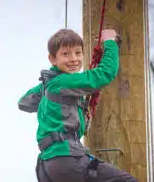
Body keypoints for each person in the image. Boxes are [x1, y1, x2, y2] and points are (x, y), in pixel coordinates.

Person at [17, 28, 137, 182]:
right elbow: (105, 73)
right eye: (66, 54)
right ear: (52, 59)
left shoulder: (52, 84)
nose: (73, 59)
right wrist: (110, 42)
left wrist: (48, 89)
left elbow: (24, 102)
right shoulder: (64, 81)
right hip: (67, 159)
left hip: (47, 166)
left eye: (78, 53)